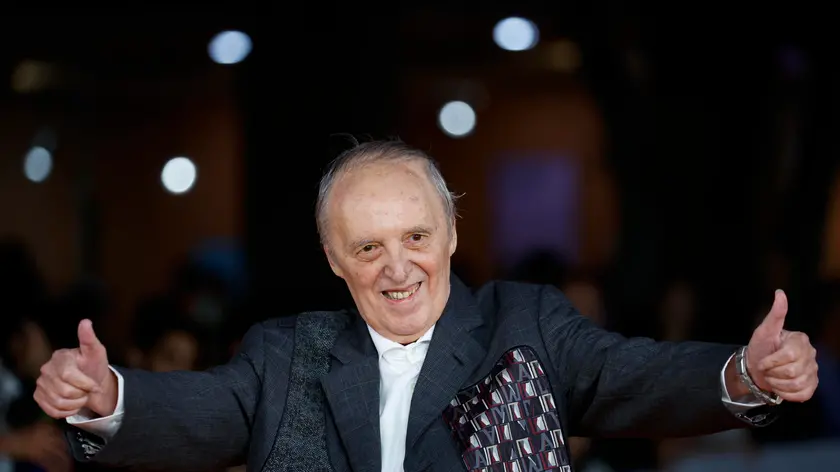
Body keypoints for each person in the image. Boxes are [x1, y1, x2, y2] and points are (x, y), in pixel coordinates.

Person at [34, 140, 819, 472]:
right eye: (367, 247)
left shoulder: (525, 325)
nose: (397, 267)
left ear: (450, 236)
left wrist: (745, 373)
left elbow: (634, 376)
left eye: (415, 236)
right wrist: (106, 397)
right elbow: (199, 411)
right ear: (334, 259)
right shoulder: (285, 352)